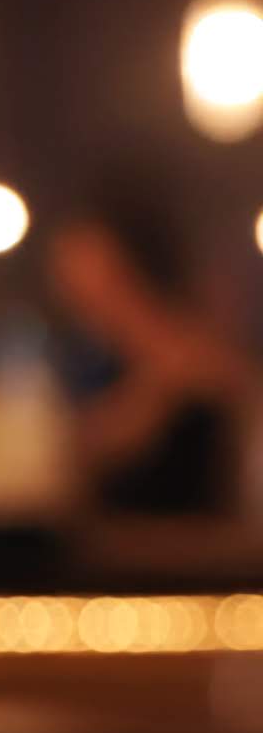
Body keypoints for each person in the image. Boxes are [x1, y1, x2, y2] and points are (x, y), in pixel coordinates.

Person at [46, 194, 254, 516]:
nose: (71, 286)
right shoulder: (90, 356)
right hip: (119, 537)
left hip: (199, 539)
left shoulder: (191, 343)